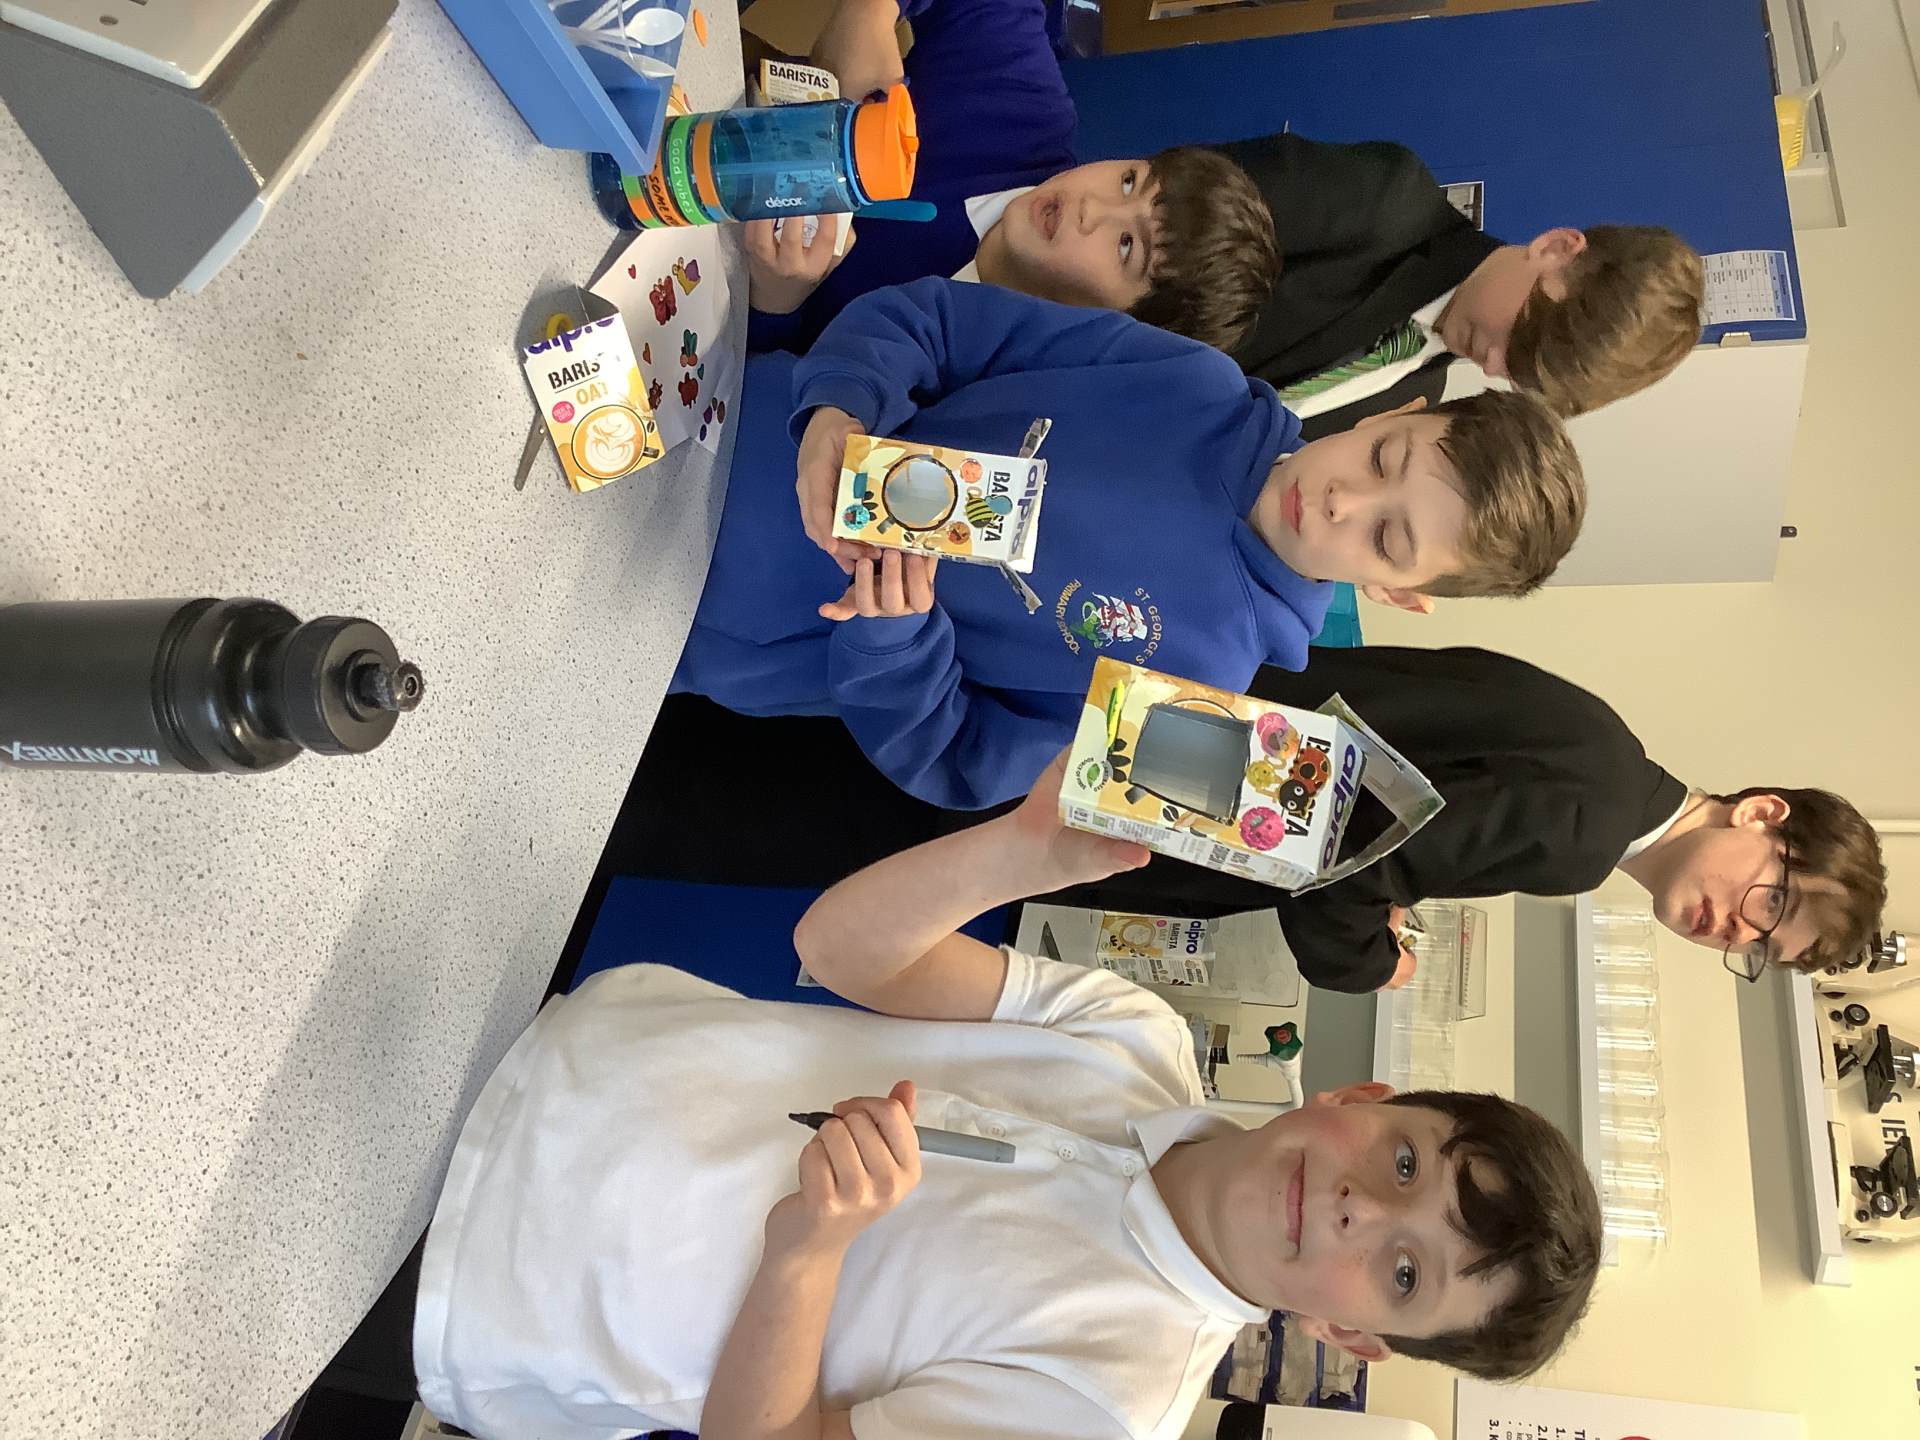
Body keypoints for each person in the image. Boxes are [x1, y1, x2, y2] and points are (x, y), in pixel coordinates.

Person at [323, 759, 1603, 1440]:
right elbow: (839, 950)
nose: (1360, 1212)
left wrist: (807, 1255)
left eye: (1402, 1274)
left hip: (463, 1286)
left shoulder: (1109, 1404)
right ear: (1368, 1095)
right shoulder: (1136, 1037)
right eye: (1407, 1165)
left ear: (1356, 1340)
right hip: (526, 1041)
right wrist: (1021, 853)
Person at [672, 277, 1586, 810]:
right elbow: (936, 322)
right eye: (1384, 459)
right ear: (1393, 412)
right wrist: (839, 405)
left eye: (1387, 538)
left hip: (685, 630)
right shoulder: (1195, 382)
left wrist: (896, 642)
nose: (1345, 499)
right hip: (703, 413)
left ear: (1397, 595)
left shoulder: (1200, 704)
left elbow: (956, 758)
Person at [1057, 645, 1890, 992]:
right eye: (1773, 901)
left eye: (1760, 947)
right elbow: (1345, 877)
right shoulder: (1586, 835)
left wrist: (1388, 891)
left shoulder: (1604, 743)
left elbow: (1393, 807)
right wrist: (1373, 964)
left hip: (1182, 711)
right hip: (1165, 786)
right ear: (1761, 814)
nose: (1738, 931)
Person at [744, 0, 1279, 358]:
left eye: (1125, 246)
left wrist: (774, 302)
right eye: (1127, 182)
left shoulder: (984, 369)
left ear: (1116, 323)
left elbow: (770, 404)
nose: (1091, 207)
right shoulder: (1025, 112)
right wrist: (870, 10)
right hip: (726, 127)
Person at [1214, 133, 1706, 437]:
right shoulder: (1382, 202)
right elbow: (1174, 212)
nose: (1491, 364)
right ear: (1554, 248)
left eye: (1517, 374)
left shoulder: (1417, 403)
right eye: (1519, 337)